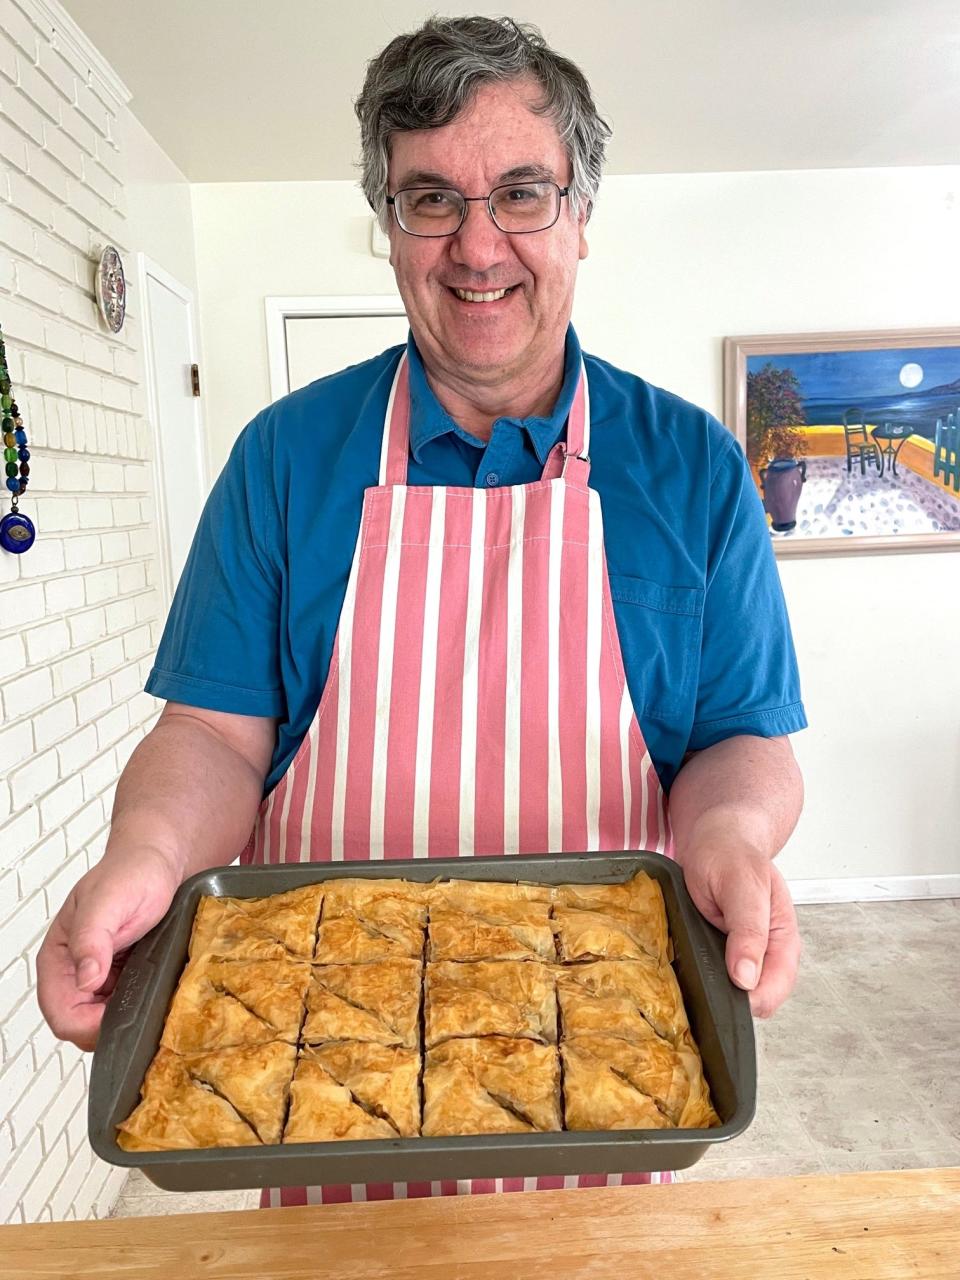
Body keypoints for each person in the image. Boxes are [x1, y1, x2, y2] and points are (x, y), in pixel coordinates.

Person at [37, 15, 806, 1200]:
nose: (477, 244)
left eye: (521, 193)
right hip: (316, 1095)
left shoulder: (693, 468)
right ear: (389, 229)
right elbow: (210, 734)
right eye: (430, 200)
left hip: (599, 1083)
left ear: (583, 216)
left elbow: (740, 738)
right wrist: (141, 858)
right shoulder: (285, 461)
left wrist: (730, 838)